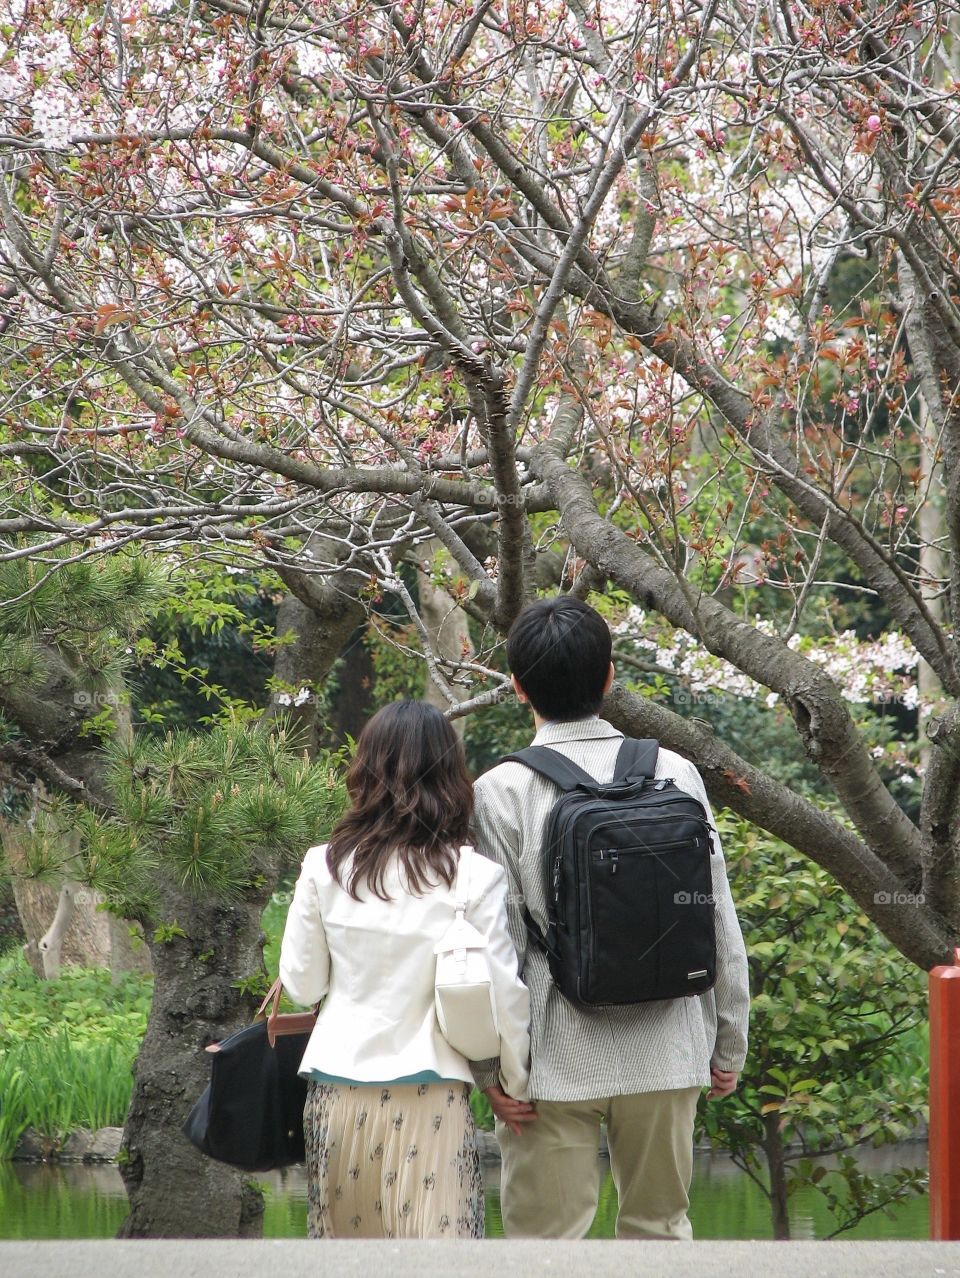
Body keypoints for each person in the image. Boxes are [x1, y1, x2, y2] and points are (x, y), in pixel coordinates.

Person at [470, 597, 750, 1240]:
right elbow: (716, 916)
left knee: (546, 1248)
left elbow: (499, 946)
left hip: (555, 1057)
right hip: (669, 1044)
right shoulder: (674, 772)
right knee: (659, 1230)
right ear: (609, 677)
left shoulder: (500, 790)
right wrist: (726, 1039)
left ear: (517, 686)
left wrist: (496, 1074)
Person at [278, 699, 531, 1240]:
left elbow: (302, 985)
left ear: (364, 770)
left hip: (337, 1092)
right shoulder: (473, 876)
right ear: (450, 775)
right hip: (432, 1092)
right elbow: (503, 994)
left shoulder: (324, 866)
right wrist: (511, 1083)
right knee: (442, 1261)